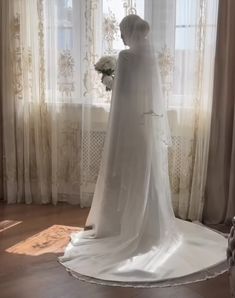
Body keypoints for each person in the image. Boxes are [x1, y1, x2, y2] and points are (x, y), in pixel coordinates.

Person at [59, 15, 227, 285]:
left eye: (123, 31)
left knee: (125, 174)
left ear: (128, 32)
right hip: (146, 128)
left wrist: (109, 82)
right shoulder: (149, 57)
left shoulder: (125, 58)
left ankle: (120, 228)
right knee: (144, 176)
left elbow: (122, 97)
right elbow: (146, 95)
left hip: (128, 128)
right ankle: (149, 225)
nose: (122, 36)